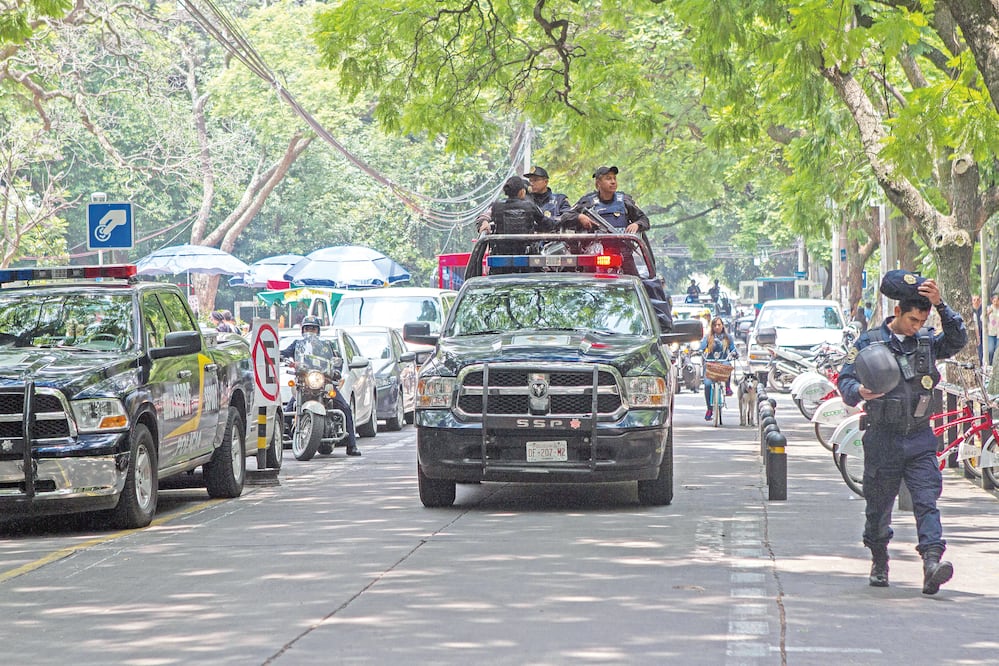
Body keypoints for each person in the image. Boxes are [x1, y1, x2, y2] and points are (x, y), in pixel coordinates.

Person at [837, 270, 966, 594]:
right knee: (878, 506)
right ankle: (879, 559)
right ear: (897, 312)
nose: (916, 327)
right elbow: (845, 379)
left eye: (921, 321)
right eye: (911, 320)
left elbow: (957, 340)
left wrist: (941, 305)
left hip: (920, 437)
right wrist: (859, 391)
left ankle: (932, 563)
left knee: (926, 501)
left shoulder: (926, 341)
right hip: (883, 437)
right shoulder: (869, 342)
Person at [280, 316, 361, 456]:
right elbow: (284, 354)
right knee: (288, 409)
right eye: (307, 328)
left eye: (312, 328)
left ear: (318, 331)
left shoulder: (326, 346)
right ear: (302, 330)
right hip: (304, 381)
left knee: (345, 408)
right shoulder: (297, 344)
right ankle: (283, 435)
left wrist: (336, 370)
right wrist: (280, 356)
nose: (310, 331)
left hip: (324, 382)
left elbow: (337, 360)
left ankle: (352, 445)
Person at [478, 176, 551, 274]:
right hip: (527, 261)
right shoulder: (530, 206)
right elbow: (547, 224)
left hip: (501, 260)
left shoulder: (496, 206)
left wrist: (484, 222)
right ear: (522, 192)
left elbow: (483, 217)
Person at [700, 317, 737, 420]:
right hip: (710, 364)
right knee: (707, 385)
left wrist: (734, 353)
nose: (717, 327)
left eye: (719, 325)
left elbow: (733, 348)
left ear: (722, 326)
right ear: (712, 326)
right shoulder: (708, 337)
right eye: (715, 325)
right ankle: (709, 409)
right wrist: (700, 350)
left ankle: (728, 387)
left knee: (728, 365)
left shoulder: (728, 337)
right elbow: (702, 347)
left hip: (722, 362)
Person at [988, 293, 999, 364]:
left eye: (997, 301)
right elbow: (982, 318)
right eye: (994, 301)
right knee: (991, 350)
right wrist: (988, 313)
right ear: (992, 301)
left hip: (998, 333)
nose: (996, 303)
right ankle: (990, 363)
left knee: (997, 350)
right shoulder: (989, 308)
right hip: (991, 333)